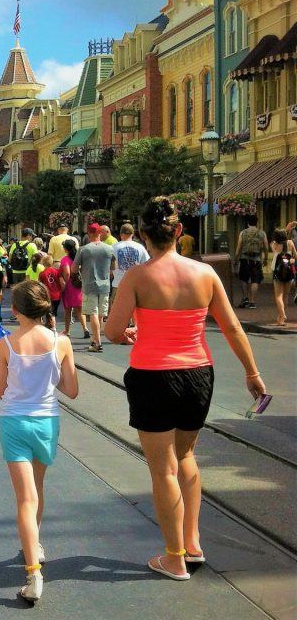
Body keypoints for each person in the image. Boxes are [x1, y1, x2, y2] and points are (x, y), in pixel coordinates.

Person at [106, 196, 265, 582]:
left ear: (144, 234)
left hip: (152, 374)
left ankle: (174, 557)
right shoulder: (205, 275)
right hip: (197, 372)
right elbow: (231, 327)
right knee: (187, 456)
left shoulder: (137, 277)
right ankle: (192, 542)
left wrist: (129, 334)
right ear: (179, 231)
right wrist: (252, 373)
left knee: (163, 469)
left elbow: (112, 331)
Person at [0, 281, 79, 603]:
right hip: (47, 422)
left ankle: (34, 575)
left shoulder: (5, 343)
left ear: (15, 310)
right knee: (37, 489)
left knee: (24, 499)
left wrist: (3, 366)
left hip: (15, 422)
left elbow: (1, 389)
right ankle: (36, 544)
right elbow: (71, 389)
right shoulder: (62, 342)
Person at [74, 224, 116, 352]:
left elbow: (73, 269)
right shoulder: (109, 249)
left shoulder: (83, 249)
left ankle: (97, 342)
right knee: (100, 315)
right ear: (100, 233)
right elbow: (113, 267)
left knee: (93, 313)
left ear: (89, 233)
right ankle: (95, 340)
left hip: (89, 284)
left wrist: (82, 268)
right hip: (105, 285)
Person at [111, 223, 150, 308]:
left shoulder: (113, 247)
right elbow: (146, 264)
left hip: (118, 283)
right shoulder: (140, 247)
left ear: (121, 234)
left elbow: (109, 266)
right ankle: (134, 321)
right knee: (134, 309)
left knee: (117, 309)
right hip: (135, 283)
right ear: (132, 234)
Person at [235, 217, 268, 309]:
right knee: (255, 280)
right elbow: (266, 247)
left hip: (244, 258)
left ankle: (245, 297)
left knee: (244, 279)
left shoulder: (243, 232)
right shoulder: (262, 233)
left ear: (248, 223)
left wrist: (236, 258)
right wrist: (265, 258)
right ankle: (252, 301)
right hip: (256, 259)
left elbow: (239, 246)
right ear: (256, 223)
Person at [60, 238, 87, 338]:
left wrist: (65, 281)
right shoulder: (79, 258)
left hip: (69, 286)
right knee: (80, 311)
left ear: (65, 249)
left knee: (68, 310)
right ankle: (85, 329)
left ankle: (67, 331)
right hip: (79, 285)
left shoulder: (65, 259)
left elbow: (67, 272)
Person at [268, 229, 296, 326]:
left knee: (278, 296)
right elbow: (295, 255)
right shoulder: (290, 242)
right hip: (289, 271)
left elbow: (277, 238)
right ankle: (281, 319)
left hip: (278, 272)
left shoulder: (274, 245)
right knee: (286, 295)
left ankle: (282, 315)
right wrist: (291, 258)